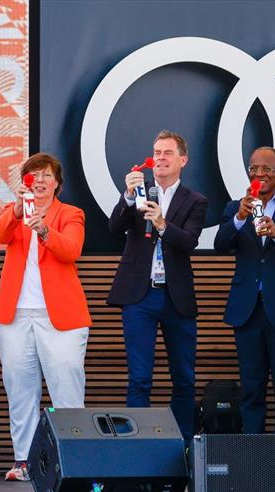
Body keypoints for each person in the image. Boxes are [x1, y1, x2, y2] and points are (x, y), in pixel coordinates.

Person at [0, 153, 91, 481]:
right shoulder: (14, 211)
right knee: (20, 387)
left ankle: (73, 457)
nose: (40, 180)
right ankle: (24, 460)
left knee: (66, 388)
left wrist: (45, 229)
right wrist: (19, 211)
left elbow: (71, 249)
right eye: (33, 175)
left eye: (47, 175)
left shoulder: (71, 213)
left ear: (57, 182)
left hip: (60, 316)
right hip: (15, 315)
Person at [106, 130, 207, 443]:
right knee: (139, 378)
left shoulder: (195, 201)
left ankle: (183, 447)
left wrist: (162, 224)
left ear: (182, 160)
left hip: (176, 298)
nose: (160, 158)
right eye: (157, 152)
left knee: (184, 379)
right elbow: (114, 228)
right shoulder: (139, 191)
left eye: (167, 153)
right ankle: (139, 449)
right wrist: (126, 195)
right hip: (140, 296)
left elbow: (189, 242)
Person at [214, 146, 275, 434]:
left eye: (267, 169)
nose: (260, 174)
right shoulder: (235, 208)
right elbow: (221, 245)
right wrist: (240, 218)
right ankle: (253, 462)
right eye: (254, 168)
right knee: (252, 391)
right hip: (247, 311)